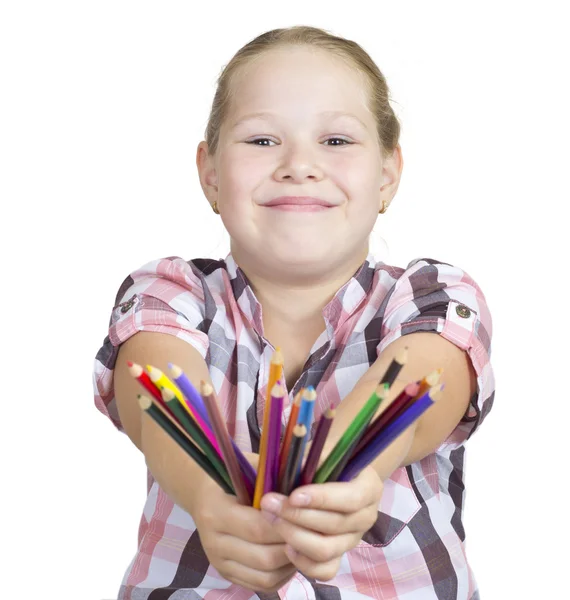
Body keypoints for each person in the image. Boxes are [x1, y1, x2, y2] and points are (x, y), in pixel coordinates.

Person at [93, 25, 495, 600]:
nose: (299, 165)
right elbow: (155, 390)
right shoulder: (168, 290)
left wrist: (352, 469)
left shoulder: (432, 293)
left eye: (336, 141)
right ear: (210, 173)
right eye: (261, 141)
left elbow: (425, 377)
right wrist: (210, 495)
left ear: (387, 174)